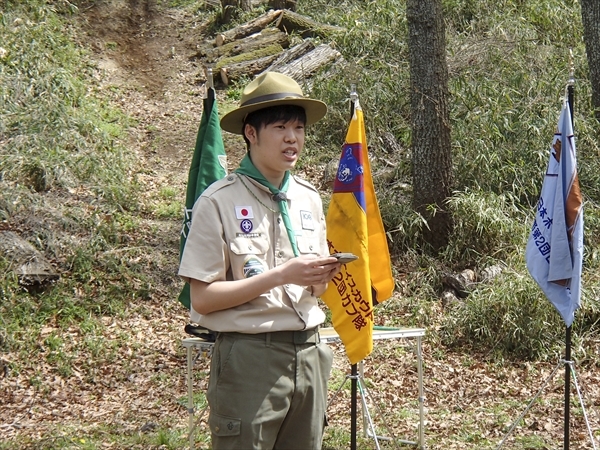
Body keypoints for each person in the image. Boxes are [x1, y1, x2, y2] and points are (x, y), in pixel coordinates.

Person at [178, 71, 341, 450]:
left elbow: (316, 290)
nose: (292, 138)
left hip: (311, 352)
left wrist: (320, 276)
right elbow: (202, 298)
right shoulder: (218, 201)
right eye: (281, 126)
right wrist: (280, 275)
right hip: (250, 357)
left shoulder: (308, 198)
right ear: (250, 133)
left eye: (299, 128)